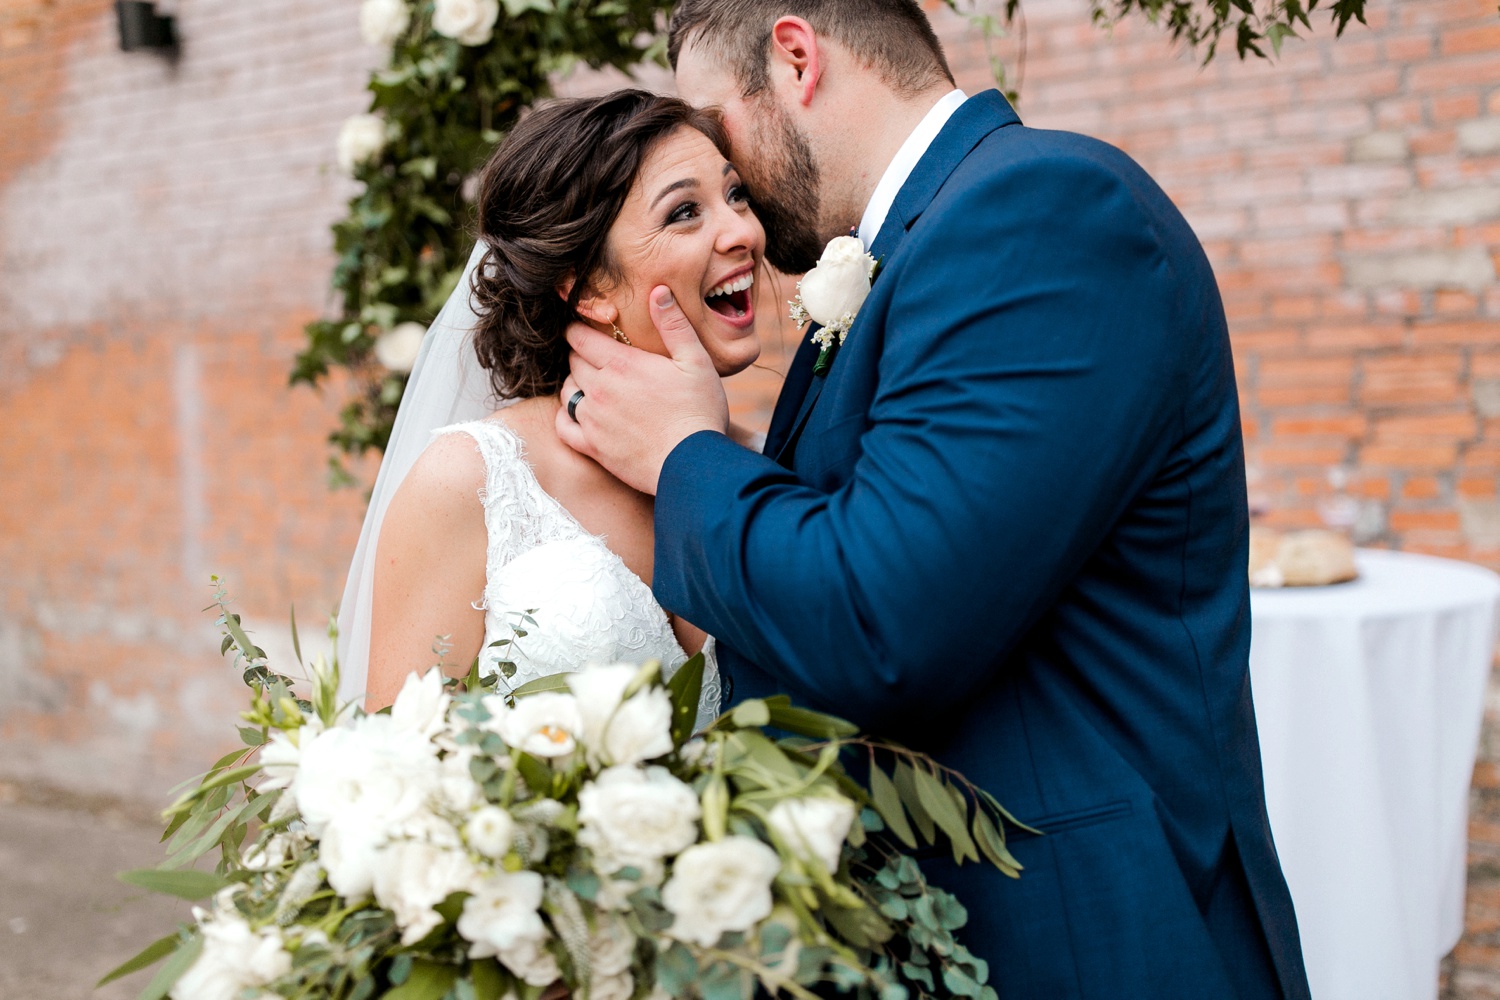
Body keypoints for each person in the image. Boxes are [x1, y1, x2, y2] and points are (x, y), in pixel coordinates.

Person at [553, 1, 1313, 997]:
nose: (713, 158)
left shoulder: (1042, 212)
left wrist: (686, 452)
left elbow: (882, 621)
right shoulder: (913, 248)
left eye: (714, 116)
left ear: (795, 57)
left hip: (1090, 939)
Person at [336, 90, 768, 721]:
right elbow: (397, 767)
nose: (745, 232)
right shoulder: (475, 479)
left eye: (736, 196)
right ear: (588, 287)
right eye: (684, 213)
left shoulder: (763, 462)